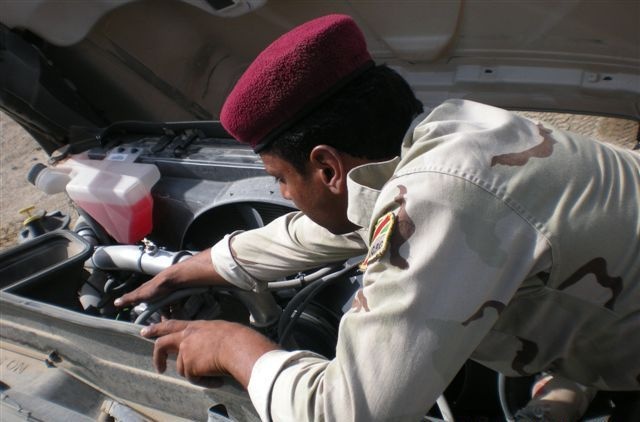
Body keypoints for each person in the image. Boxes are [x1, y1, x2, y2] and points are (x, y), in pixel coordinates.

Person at [115, 14, 640, 421]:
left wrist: (232, 344)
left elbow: (347, 412)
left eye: (279, 179)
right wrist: (207, 264)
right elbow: (327, 230)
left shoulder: (442, 198)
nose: (281, 193)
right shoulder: (454, 131)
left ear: (325, 167)